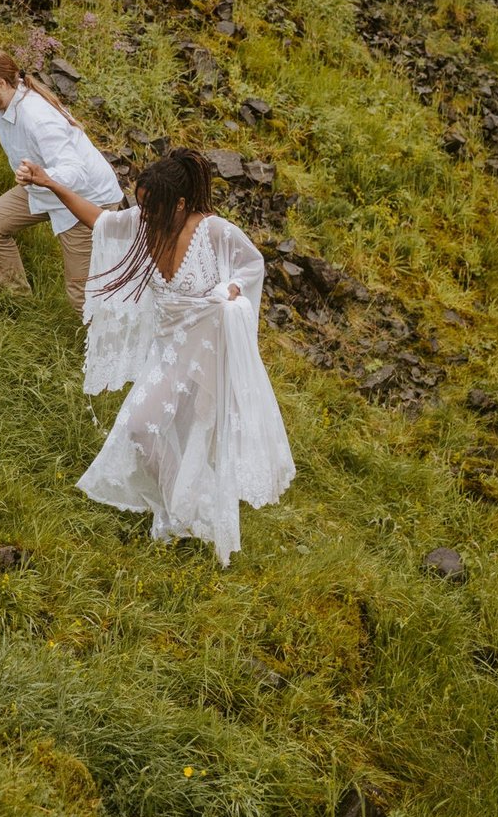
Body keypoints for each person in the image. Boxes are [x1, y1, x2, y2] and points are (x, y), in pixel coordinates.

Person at [15, 147, 295, 565]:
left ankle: (192, 520)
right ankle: (182, 507)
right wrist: (50, 182)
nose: (142, 215)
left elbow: (251, 266)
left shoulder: (215, 232)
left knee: (201, 438)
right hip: (168, 354)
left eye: (150, 207)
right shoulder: (146, 223)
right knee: (142, 430)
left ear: (180, 204)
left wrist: (232, 291)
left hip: (209, 352)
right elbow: (100, 220)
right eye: (140, 205)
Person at [0, 46, 123, 314]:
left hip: (86, 200)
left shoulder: (38, 118)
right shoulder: (8, 101)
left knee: (81, 295)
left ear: (1, 84)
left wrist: (39, 177)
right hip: (43, 187)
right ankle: (19, 304)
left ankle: (110, 349)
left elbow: (75, 172)